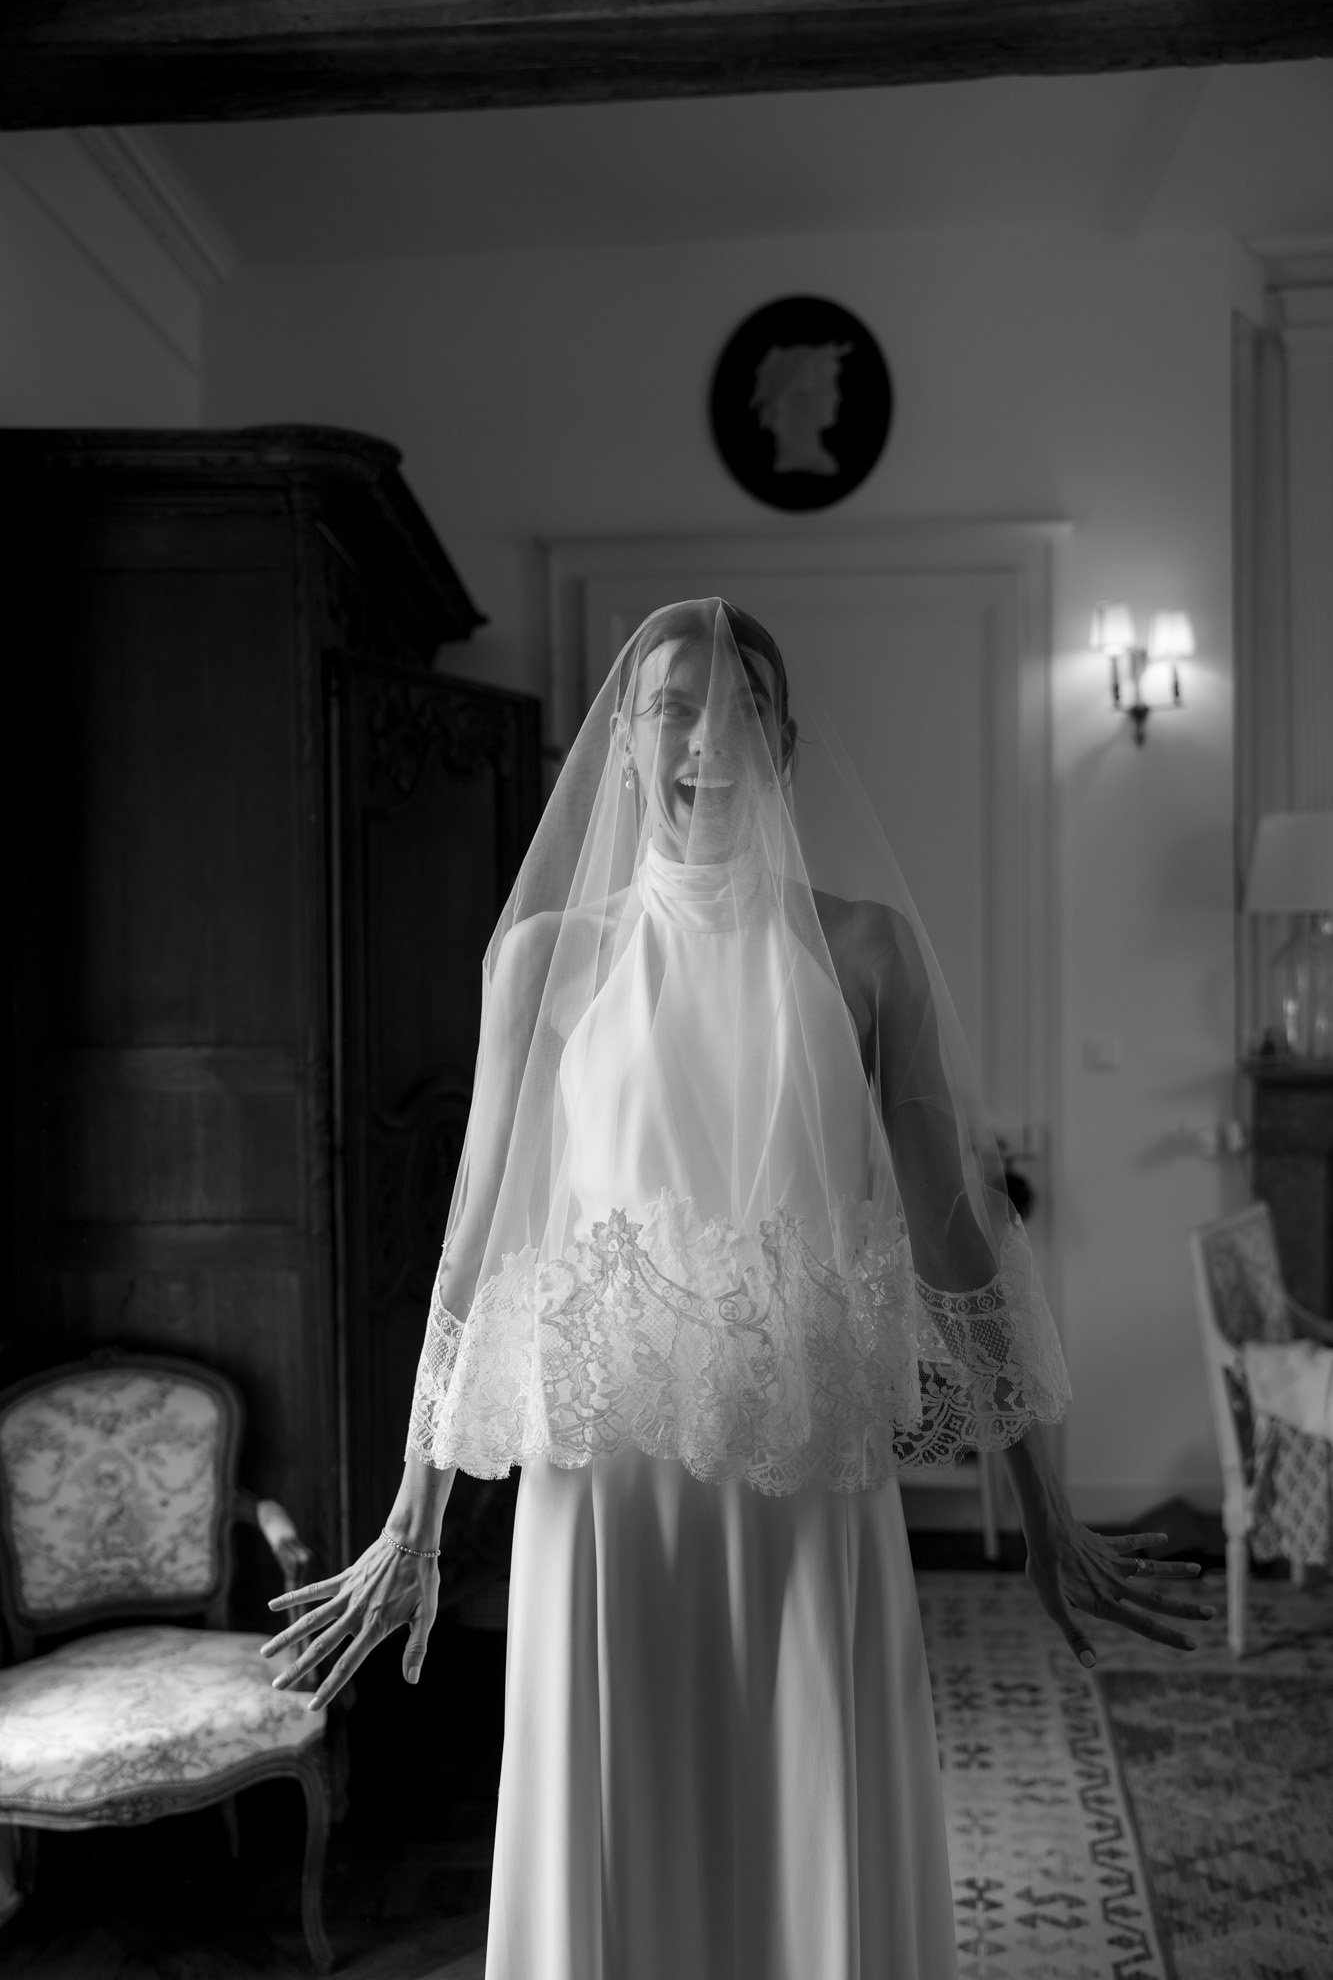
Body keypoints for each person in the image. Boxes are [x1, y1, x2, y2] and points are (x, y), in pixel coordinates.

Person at [263, 599, 1213, 1980]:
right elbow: (474, 1236)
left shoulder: (867, 953)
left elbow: (955, 1241)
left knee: (805, 1833)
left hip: (807, 1494)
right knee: (621, 1838)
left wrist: (1042, 1504)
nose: (708, 739)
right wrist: (416, 1508)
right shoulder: (543, 962)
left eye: (743, 710)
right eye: (672, 707)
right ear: (623, 749)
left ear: (787, 748)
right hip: (607, 1508)